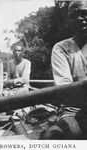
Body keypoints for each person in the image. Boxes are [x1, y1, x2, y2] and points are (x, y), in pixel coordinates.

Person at [41, 0, 87, 139]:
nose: (80, 18)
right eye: (75, 15)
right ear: (69, 20)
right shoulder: (61, 48)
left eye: (84, 13)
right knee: (51, 137)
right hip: (74, 111)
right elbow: (66, 90)